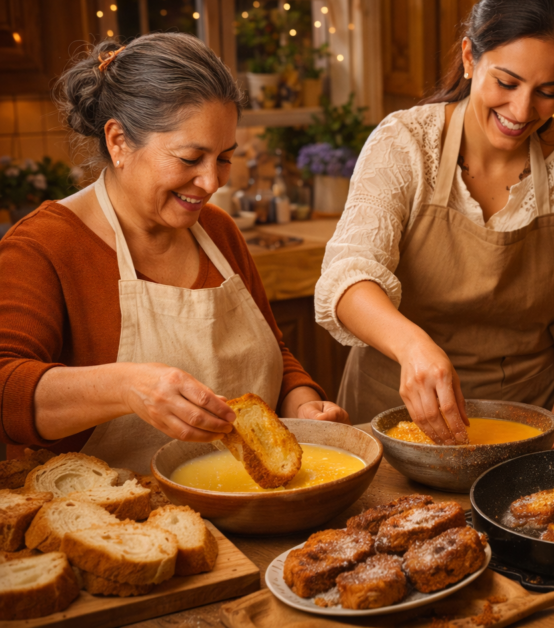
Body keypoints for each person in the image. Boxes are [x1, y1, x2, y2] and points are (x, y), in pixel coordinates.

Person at [0, 33, 347, 474]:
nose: (211, 182)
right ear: (119, 141)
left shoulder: (218, 231)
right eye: (190, 158)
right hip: (114, 526)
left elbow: (273, 352)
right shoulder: (42, 247)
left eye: (224, 158)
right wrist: (127, 386)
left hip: (242, 505)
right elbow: (5, 394)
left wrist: (303, 404)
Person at [315, 0, 554, 445]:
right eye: (508, 82)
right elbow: (347, 279)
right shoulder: (405, 142)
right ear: (470, 57)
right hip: (391, 415)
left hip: (524, 421)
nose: (521, 110)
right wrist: (414, 346)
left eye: (547, 91)